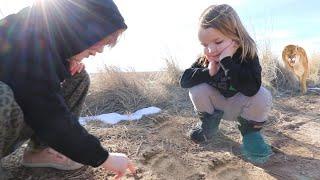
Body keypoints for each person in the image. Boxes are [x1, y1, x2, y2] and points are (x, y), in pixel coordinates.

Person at [0, 0, 135, 178]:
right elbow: (47, 112)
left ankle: (41, 151)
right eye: (101, 39)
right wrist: (104, 158)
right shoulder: (20, 35)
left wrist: (62, 66)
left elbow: (32, 85)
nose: (101, 50)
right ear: (79, 28)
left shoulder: (42, 34)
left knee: (78, 77)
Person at [180, 4, 273, 163]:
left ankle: (250, 134)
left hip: (242, 110)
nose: (210, 49)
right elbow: (184, 81)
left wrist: (227, 62)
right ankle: (208, 126)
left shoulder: (247, 55)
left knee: (262, 94)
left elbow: (251, 89)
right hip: (217, 109)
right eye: (204, 45)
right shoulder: (206, 60)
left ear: (235, 36)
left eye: (218, 41)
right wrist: (208, 72)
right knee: (196, 88)